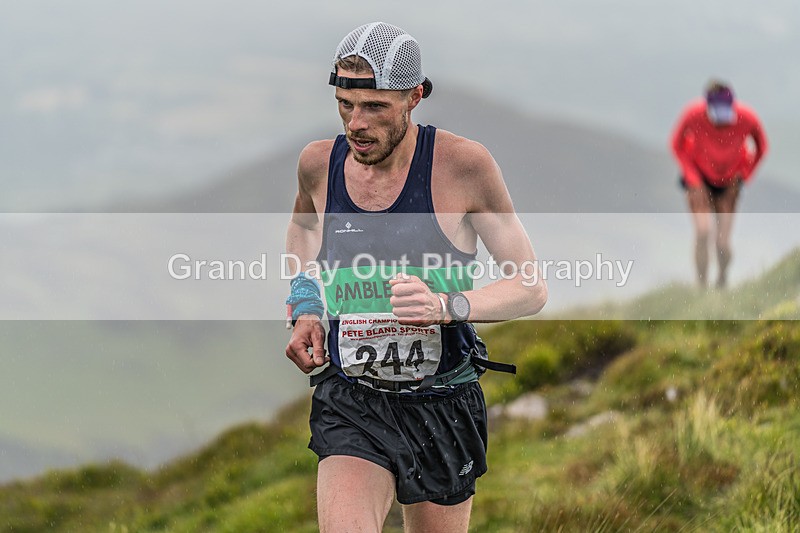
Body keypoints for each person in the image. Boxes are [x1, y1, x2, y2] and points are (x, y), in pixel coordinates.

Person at [284, 21, 547, 533]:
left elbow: (530, 287)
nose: (355, 124)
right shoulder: (318, 163)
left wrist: (446, 306)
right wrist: (305, 302)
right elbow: (302, 229)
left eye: (375, 107)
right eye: (345, 104)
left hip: (442, 398)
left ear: (414, 97)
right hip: (353, 397)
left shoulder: (463, 167)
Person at [670, 80, 768, 288]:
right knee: (703, 232)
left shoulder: (747, 118)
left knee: (722, 242)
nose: (723, 119)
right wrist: (693, 180)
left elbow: (761, 146)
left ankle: (722, 280)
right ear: (707, 106)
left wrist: (744, 175)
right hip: (700, 180)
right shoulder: (693, 115)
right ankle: (701, 287)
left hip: (730, 183)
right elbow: (676, 145)